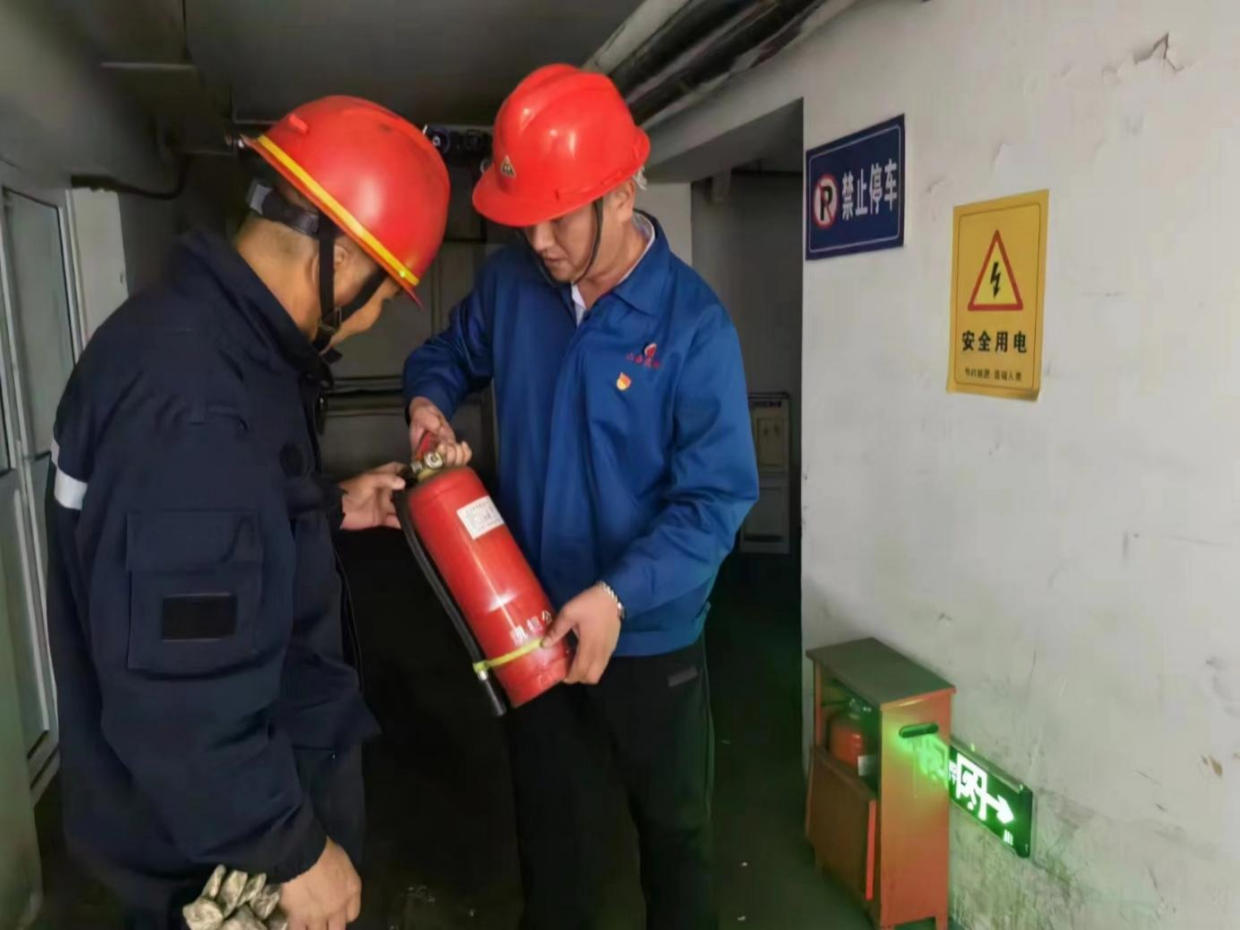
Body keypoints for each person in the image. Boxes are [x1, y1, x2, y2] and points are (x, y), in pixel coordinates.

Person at [45, 96, 450, 930]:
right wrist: (290, 848)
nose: (373, 318)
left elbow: (210, 538)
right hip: (218, 856)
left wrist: (325, 509)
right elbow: (179, 689)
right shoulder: (196, 404)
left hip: (213, 811)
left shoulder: (207, 342)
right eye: (383, 295)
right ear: (341, 259)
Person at [402, 65, 759, 929]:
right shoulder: (511, 288)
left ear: (624, 193)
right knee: (554, 845)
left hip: (651, 641)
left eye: (559, 216)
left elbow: (714, 502)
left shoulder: (693, 328)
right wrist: (427, 408)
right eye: (526, 218)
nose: (539, 240)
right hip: (532, 627)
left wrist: (618, 596)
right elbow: (444, 357)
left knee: (674, 840)